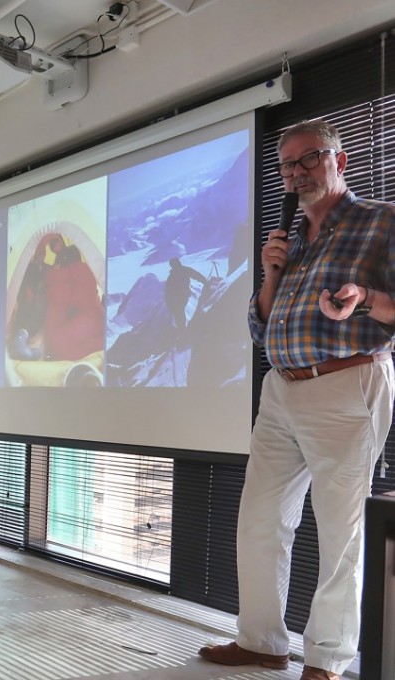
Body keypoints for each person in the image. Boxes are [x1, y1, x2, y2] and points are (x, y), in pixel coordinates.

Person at [198, 120, 395, 680]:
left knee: (340, 531)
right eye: (287, 165)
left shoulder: (382, 222)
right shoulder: (291, 239)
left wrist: (365, 299)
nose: (296, 172)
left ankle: (328, 659)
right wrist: (268, 276)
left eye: (309, 158)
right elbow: (261, 329)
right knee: (259, 519)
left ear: (341, 159)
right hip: (281, 389)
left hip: (347, 383)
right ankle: (262, 642)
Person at [164, 256, 207, 330]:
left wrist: (168, 301)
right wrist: (206, 282)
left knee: (179, 314)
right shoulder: (183, 271)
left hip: (178, 298)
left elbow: (168, 291)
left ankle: (181, 331)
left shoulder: (172, 275)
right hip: (182, 296)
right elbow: (196, 275)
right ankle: (181, 330)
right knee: (179, 313)